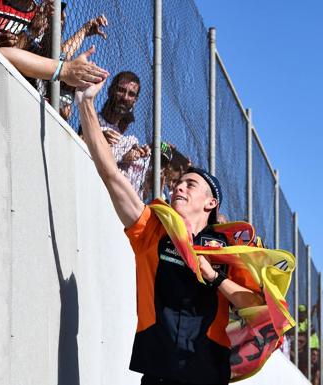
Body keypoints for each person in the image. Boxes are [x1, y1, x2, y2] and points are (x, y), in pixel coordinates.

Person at [75, 79, 264, 384]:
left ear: (210, 202)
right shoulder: (152, 229)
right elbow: (110, 174)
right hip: (158, 372)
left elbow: (256, 308)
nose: (179, 187)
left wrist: (214, 276)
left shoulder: (229, 249)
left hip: (207, 373)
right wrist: (85, 103)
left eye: (191, 184)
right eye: (179, 182)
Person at [81, 71, 152, 199]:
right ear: (110, 91)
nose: (125, 97)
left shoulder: (129, 141)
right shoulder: (92, 120)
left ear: (135, 101)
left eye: (131, 94)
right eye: (121, 90)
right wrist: (98, 135)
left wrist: (143, 157)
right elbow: (79, 143)